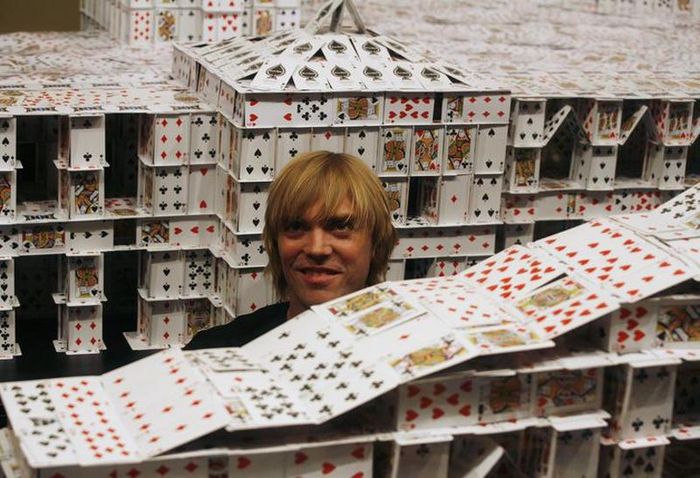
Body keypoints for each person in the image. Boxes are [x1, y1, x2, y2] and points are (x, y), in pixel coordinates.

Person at [185, 151, 397, 349]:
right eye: (296, 227)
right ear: (275, 244)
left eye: (340, 227)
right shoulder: (213, 350)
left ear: (376, 243)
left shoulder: (414, 361)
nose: (317, 248)